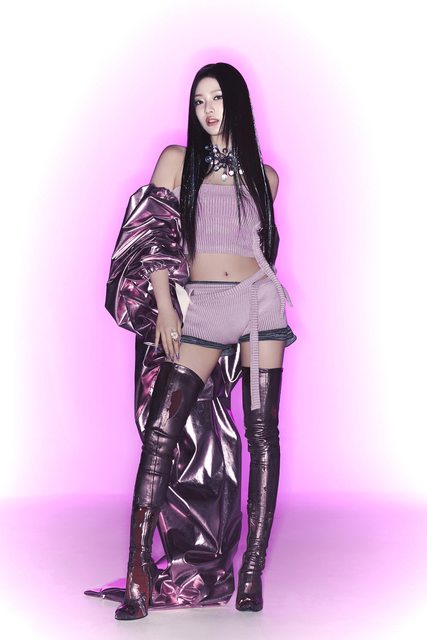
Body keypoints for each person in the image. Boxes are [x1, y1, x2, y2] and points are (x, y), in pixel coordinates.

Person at [110, 62, 296, 621]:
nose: (208, 110)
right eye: (199, 101)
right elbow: (156, 239)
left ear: (236, 102)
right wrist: (166, 305)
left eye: (216, 98)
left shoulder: (266, 177)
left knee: (263, 436)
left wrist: (258, 309)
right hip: (203, 307)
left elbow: (263, 248)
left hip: (259, 304)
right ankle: (138, 573)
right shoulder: (177, 160)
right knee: (161, 432)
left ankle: (252, 573)